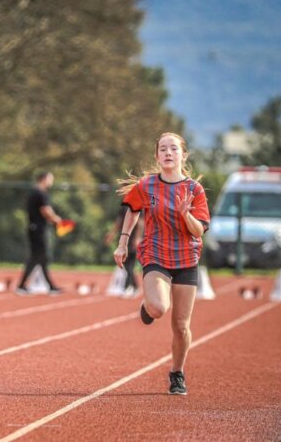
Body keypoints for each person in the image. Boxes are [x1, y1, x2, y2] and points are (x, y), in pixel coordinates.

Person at [113, 132, 209, 396]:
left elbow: (199, 231)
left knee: (181, 326)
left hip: (187, 260)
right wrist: (123, 242)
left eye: (173, 148)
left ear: (183, 155)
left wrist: (185, 214)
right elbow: (132, 209)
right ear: (157, 156)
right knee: (158, 308)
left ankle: (177, 373)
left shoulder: (194, 190)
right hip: (156, 254)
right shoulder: (147, 185)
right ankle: (148, 306)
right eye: (163, 149)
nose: (168, 152)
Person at [15, 171, 63, 296]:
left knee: (42, 258)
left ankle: (50, 286)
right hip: (38, 229)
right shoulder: (40, 193)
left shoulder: (34, 192)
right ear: (44, 179)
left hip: (34, 228)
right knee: (37, 257)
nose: (51, 182)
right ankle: (21, 286)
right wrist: (57, 220)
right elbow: (46, 211)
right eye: (50, 179)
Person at [104, 206, 144, 296]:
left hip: (132, 240)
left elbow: (141, 222)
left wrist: (137, 237)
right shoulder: (124, 206)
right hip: (124, 240)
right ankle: (134, 286)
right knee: (126, 265)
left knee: (129, 265)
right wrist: (112, 234)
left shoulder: (138, 203)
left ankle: (128, 287)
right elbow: (118, 222)